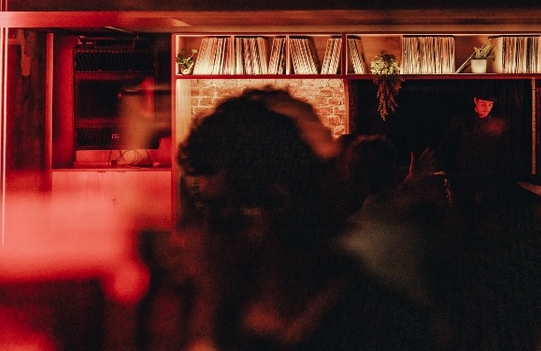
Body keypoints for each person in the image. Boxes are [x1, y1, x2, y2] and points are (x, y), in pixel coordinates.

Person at [172, 87, 438, 351]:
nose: (195, 237)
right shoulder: (230, 325)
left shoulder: (378, 328)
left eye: (218, 212)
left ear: (275, 206)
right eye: (199, 213)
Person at [437, 91, 510, 208]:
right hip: (461, 179)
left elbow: (502, 153)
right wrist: (450, 175)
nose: (487, 108)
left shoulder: (496, 124)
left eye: (490, 105)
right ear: (475, 101)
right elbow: (447, 147)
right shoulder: (462, 120)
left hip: (486, 181)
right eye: (483, 104)